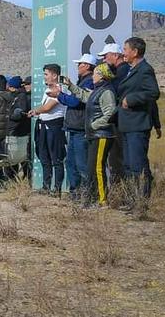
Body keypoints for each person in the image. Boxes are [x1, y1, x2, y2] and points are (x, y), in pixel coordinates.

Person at [59, 64, 117, 208]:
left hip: (102, 134)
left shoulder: (107, 92)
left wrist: (94, 125)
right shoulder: (98, 90)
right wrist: (70, 85)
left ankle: (102, 200)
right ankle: (93, 198)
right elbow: (84, 95)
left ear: (102, 75)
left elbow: (110, 113)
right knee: (91, 168)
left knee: (97, 168)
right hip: (95, 134)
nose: (93, 76)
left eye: (96, 73)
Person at [115, 37, 160, 202]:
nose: (123, 52)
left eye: (125, 49)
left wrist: (131, 99)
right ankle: (131, 200)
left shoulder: (145, 69)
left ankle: (141, 202)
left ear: (134, 51)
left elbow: (153, 93)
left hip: (137, 124)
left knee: (137, 165)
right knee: (128, 165)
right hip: (127, 124)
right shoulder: (130, 69)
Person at [57, 54, 96, 200]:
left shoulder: (89, 82)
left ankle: (86, 193)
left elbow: (75, 102)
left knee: (82, 164)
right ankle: (75, 192)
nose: (77, 66)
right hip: (74, 128)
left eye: (79, 64)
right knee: (71, 163)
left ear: (86, 66)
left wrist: (60, 95)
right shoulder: (82, 81)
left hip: (81, 128)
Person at [28, 63, 67, 196]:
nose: (44, 77)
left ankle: (57, 189)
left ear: (54, 75)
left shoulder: (59, 89)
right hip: (44, 126)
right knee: (44, 157)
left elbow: (47, 108)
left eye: (46, 74)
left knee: (56, 158)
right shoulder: (47, 90)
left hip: (55, 127)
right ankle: (46, 186)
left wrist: (35, 111)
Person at [99, 43, 129, 181]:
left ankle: (123, 191)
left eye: (106, 56)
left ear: (116, 56)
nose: (104, 60)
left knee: (119, 157)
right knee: (116, 158)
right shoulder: (119, 72)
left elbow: (115, 93)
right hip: (119, 120)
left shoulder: (122, 72)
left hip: (122, 122)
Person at [5, 75, 31, 181]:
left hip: (16, 132)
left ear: (12, 87)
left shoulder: (20, 97)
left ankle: (13, 180)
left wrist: (9, 115)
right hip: (18, 132)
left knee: (14, 158)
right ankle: (19, 179)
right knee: (19, 157)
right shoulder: (21, 95)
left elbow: (19, 113)